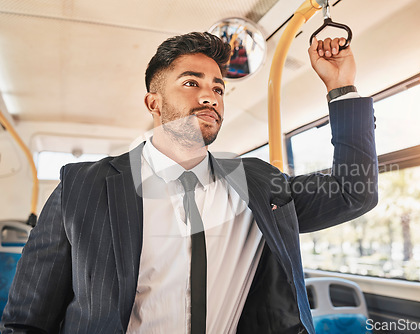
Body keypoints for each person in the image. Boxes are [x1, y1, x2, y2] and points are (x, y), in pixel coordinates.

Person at [1, 32, 377, 334]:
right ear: (153, 103)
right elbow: (26, 318)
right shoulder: (82, 187)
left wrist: (341, 87)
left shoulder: (260, 184)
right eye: (191, 82)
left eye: (218, 88)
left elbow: (352, 192)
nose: (209, 96)